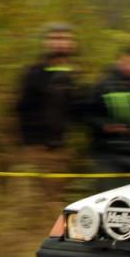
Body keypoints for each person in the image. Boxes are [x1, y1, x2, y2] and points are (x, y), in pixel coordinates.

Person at [14, 23, 83, 171]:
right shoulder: (34, 72)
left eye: (65, 39)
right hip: (34, 150)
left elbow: (77, 110)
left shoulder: (74, 74)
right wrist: (31, 145)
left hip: (60, 150)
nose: (60, 43)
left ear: (72, 44)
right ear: (46, 43)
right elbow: (20, 108)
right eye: (55, 38)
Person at [86, 47, 130, 190]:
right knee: (107, 196)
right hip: (106, 154)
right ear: (123, 59)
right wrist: (104, 126)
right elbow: (87, 114)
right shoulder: (102, 84)